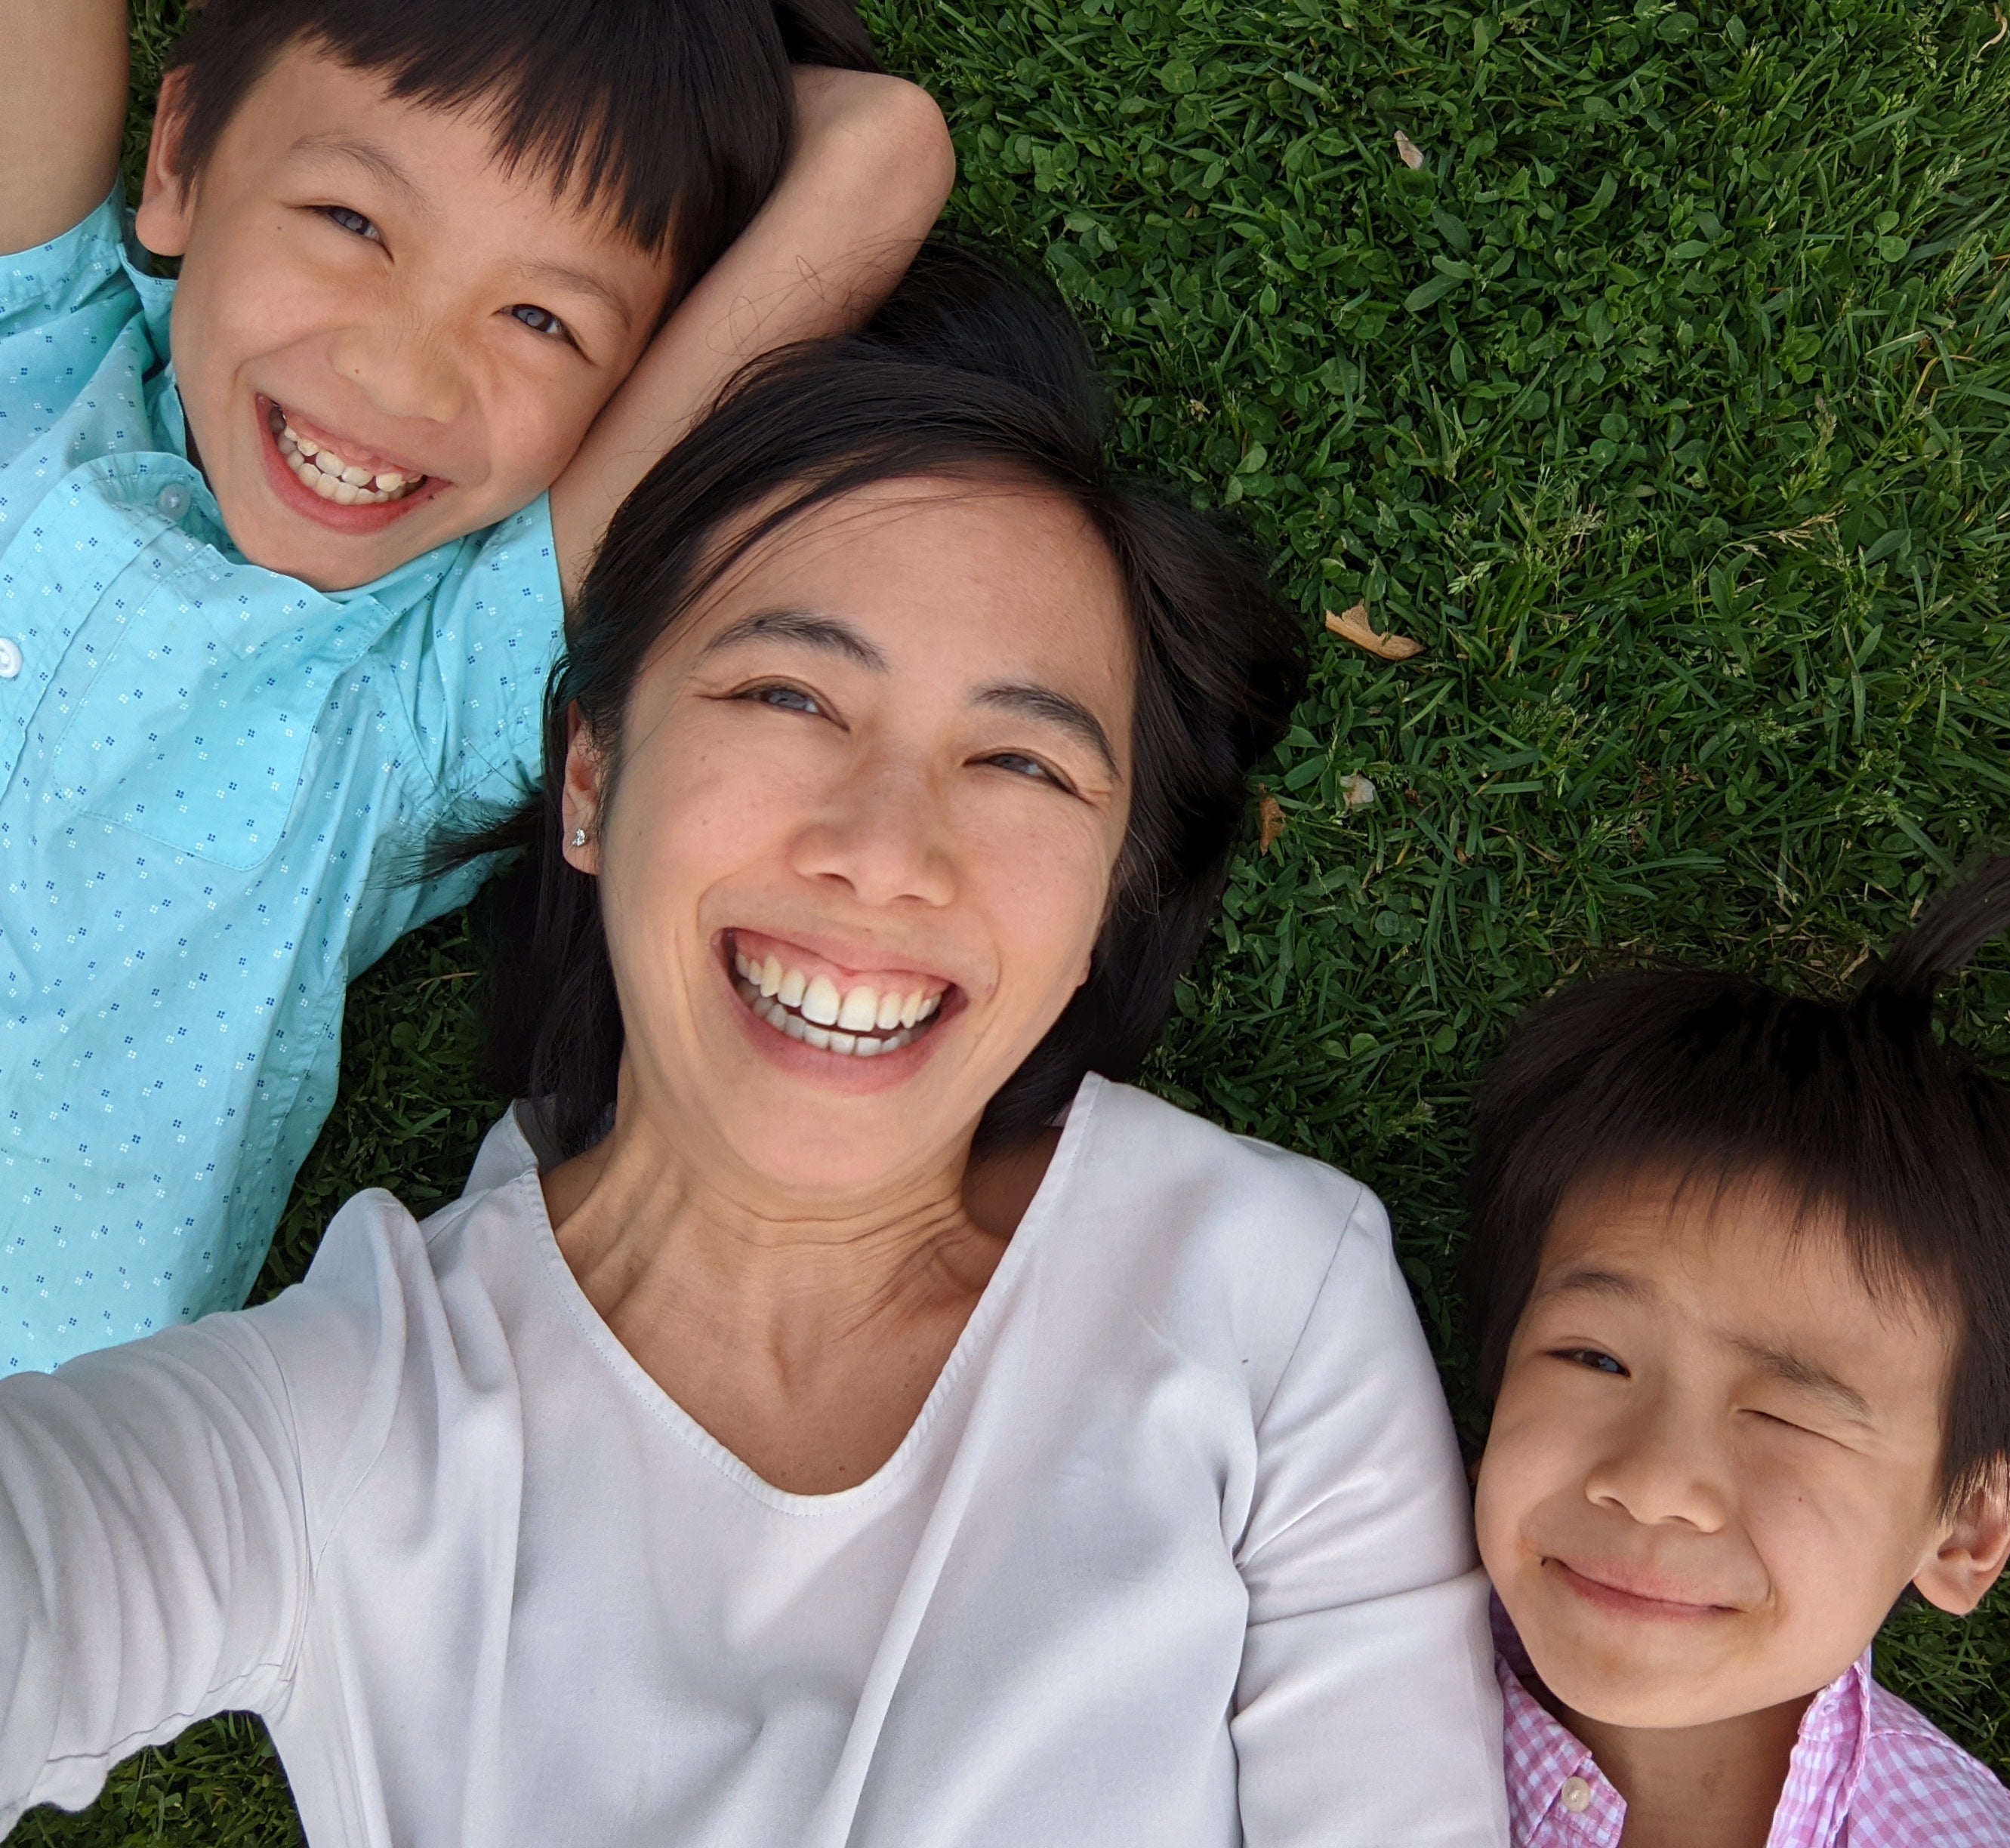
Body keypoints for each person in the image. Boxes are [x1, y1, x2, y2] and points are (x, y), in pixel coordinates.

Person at [0, 242, 1509, 1847]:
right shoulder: (352, 1415)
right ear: (590, 777)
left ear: (1105, 904)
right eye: (790, 697)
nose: (885, 848)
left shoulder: (1268, 1292)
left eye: (1022, 763)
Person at [0, 0, 953, 1372]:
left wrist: (687, 86)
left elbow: (883, 150)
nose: (402, 370)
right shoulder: (43, 348)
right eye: (350, 222)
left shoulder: (420, 701)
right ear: (180, 162)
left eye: (540, 319)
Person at [1461, 849, 2010, 1848]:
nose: (1653, 1483)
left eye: (1785, 1413)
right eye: (1593, 1361)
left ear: (1971, 1527)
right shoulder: (1311, 1631)